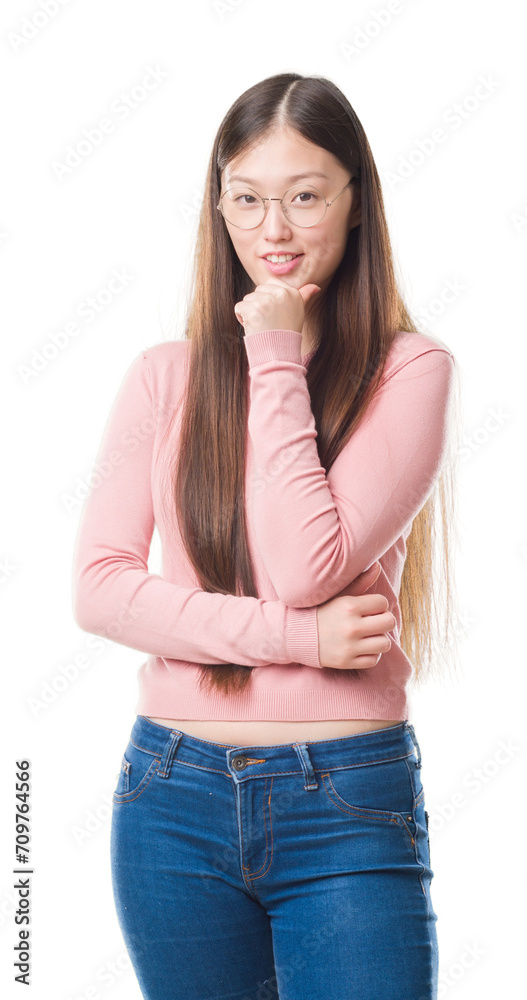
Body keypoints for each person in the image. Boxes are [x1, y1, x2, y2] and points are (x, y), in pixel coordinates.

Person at [72, 72, 461, 1000]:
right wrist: (300, 641)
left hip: (346, 801)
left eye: (303, 196)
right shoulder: (164, 377)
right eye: (247, 200)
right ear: (219, 209)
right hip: (170, 799)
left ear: (355, 201)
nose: (273, 231)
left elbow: (301, 565)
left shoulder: (410, 371)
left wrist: (274, 351)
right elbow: (98, 586)